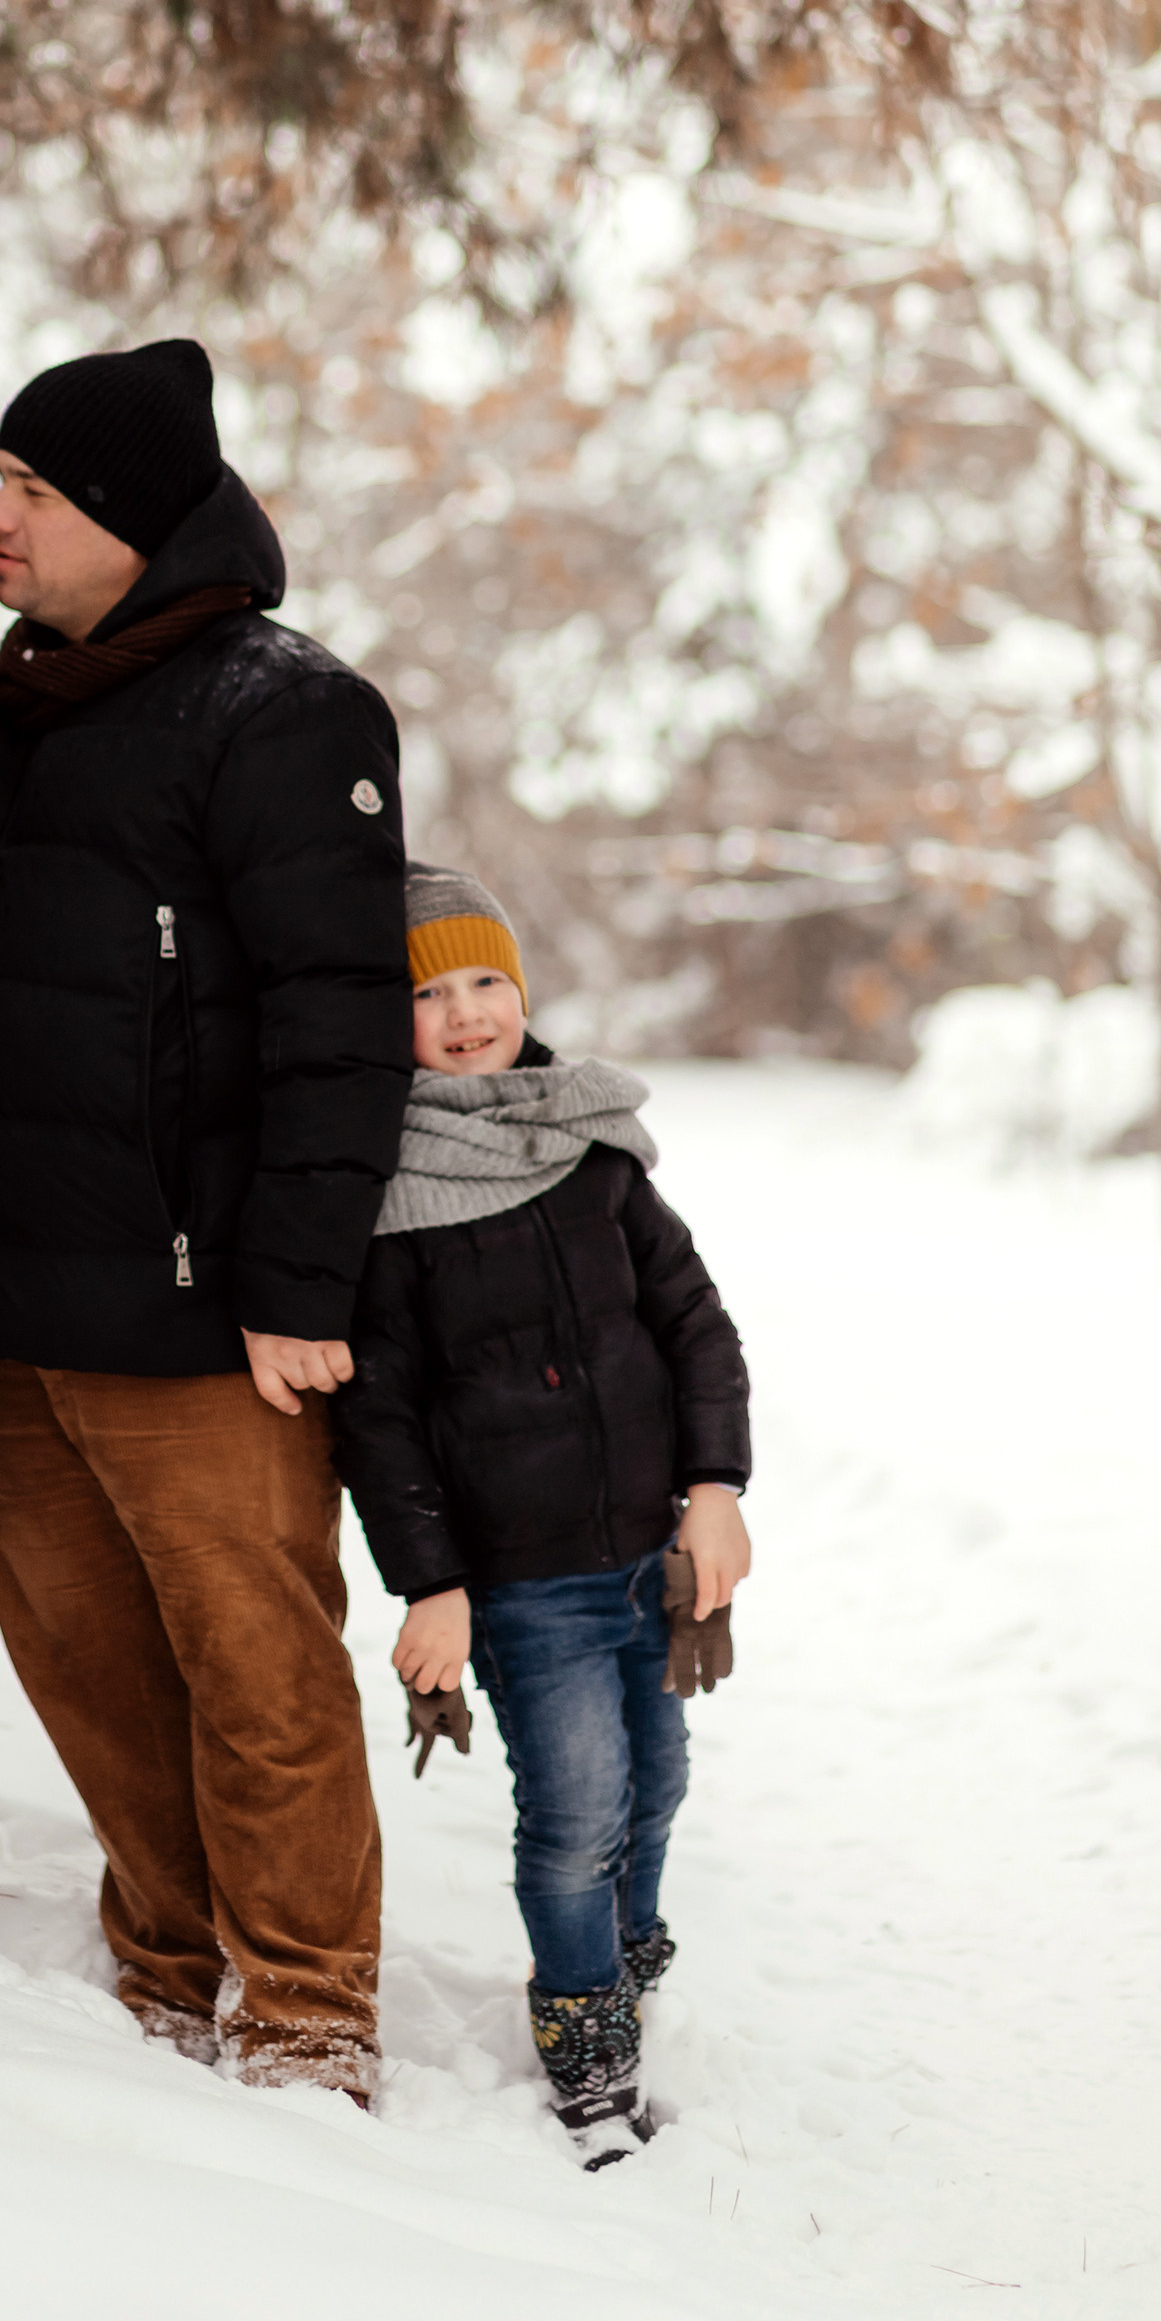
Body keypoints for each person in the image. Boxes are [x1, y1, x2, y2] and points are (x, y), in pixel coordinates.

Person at [0, 338, 413, 2101]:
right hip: (18, 1297)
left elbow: (337, 1016)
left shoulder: (283, 710)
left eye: (31, 492)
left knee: (256, 1663)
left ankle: (305, 2007)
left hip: (209, 1307)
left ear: (124, 519)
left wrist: (298, 1281)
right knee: (79, 1661)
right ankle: (164, 1956)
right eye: (1, 482)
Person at [331, 862, 753, 2165]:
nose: (465, 1014)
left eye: (487, 982)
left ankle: (622, 1964)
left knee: (659, 1783)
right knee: (575, 1808)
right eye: (429, 993)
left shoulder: (593, 1151)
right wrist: (432, 1584)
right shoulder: (385, 1197)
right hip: (522, 1583)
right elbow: (381, 1417)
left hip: (649, 1555)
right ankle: (584, 2038)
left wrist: (717, 1489)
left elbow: (694, 1323)